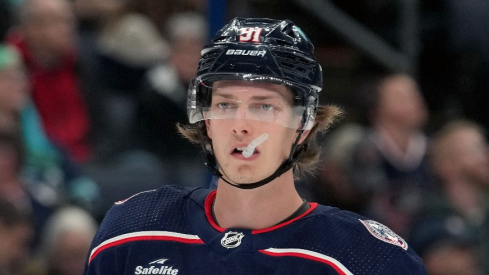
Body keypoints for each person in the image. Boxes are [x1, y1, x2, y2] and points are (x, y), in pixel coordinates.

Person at [84, 18, 426, 274]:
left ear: (303, 124)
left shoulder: (367, 258)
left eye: (264, 106)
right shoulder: (131, 231)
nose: (241, 124)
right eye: (225, 104)